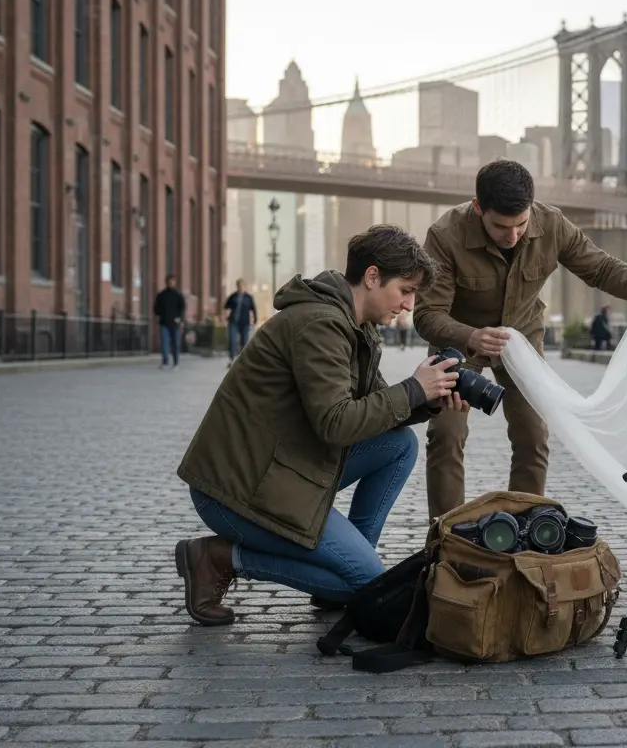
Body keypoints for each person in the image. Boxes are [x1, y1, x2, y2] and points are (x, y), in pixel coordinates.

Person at [173, 225, 469, 627]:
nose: (409, 304)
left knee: (400, 445)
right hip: (235, 489)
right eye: (405, 290)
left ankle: (343, 568)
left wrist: (426, 401)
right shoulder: (320, 325)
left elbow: (373, 410)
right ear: (371, 276)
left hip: (281, 467)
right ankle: (218, 558)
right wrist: (413, 389)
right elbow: (336, 423)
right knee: (368, 586)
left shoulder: (355, 325)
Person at [414, 160, 627, 519]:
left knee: (534, 436)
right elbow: (427, 315)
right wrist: (471, 336)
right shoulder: (445, 235)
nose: (513, 236)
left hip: (523, 338)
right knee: (446, 434)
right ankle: (445, 536)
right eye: (500, 226)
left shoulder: (552, 223)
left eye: (521, 224)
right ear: (478, 208)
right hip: (461, 342)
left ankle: (524, 531)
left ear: (532, 208)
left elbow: (599, 268)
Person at [223, 278, 258, 365]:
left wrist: (255, 320)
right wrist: (225, 317)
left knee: (244, 341)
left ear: (244, 287)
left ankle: (242, 360)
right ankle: (231, 359)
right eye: (238, 286)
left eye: (242, 286)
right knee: (232, 340)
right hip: (233, 322)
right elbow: (225, 307)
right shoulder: (233, 296)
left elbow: (253, 309)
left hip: (244, 322)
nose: (240, 287)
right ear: (237, 286)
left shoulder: (248, 298)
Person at [153, 275, 185, 369]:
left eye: (172, 281)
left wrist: (180, 320)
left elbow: (182, 308)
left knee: (175, 343)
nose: (171, 283)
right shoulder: (161, 295)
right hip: (164, 323)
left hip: (175, 323)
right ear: (166, 282)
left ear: (175, 282)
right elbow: (156, 308)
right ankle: (165, 362)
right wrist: (158, 316)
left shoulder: (178, 295)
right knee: (164, 343)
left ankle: (176, 362)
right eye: (169, 281)